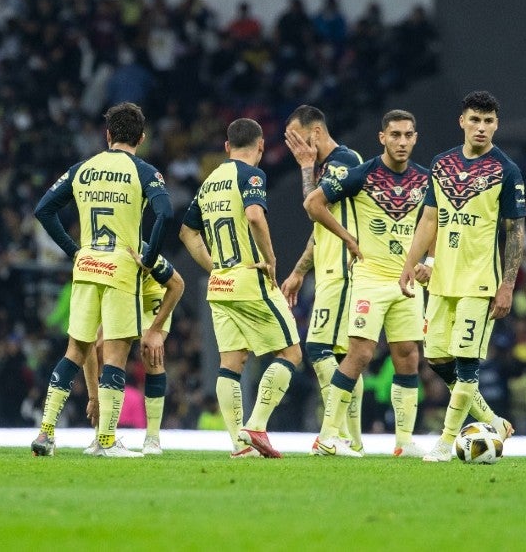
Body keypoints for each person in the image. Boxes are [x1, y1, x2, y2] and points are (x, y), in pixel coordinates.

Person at [31, 102, 173, 458]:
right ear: (141, 137)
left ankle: (46, 433)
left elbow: (43, 210)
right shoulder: (144, 171)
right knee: (114, 354)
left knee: (75, 351)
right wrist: (151, 257)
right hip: (120, 270)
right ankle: (106, 441)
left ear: (107, 135)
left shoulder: (83, 169)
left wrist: (73, 250)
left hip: (86, 266)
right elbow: (165, 212)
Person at [399, 91, 525, 462]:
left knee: (468, 363)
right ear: (462, 122)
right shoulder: (442, 164)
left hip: (480, 282)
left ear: (496, 125)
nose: (481, 128)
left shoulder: (506, 170)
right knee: (437, 358)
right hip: (441, 281)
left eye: (488, 121)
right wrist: (414, 262)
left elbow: (515, 231)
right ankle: (493, 422)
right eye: (475, 120)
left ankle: (446, 441)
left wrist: (507, 286)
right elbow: (430, 219)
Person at [304, 109, 430, 458]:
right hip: (370, 279)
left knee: (408, 356)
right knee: (359, 353)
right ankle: (327, 437)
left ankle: (404, 443)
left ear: (415, 138)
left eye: (407, 135)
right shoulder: (363, 173)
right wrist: (347, 238)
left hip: (406, 281)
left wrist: (428, 262)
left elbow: (432, 222)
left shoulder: (424, 179)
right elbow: (314, 203)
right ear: (382, 138)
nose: (402, 141)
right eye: (395, 135)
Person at [180, 118, 301, 459]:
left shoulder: (208, 185)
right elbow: (254, 216)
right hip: (251, 279)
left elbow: (187, 234)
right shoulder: (251, 175)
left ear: (226, 147)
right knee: (290, 353)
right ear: (261, 146)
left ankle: (239, 445)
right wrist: (272, 258)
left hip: (220, 284)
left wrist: (215, 266)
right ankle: (256, 425)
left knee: (231, 363)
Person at [279, 105, 365, 451]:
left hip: (344, 269)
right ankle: (352, 439)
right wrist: (300, 271)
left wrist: (305, 167)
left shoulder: (345, 161)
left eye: (298, 140)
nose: (295, 149)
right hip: (330, 268)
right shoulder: (330, 167)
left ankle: (338, 433)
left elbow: (311, 204)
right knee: (342, 355)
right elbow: (319, 228)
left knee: (317, 349)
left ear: (315, 133)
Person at [81, 246, 185, 456]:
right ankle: (101, 434)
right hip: (123, 297)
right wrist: (93, 397)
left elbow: (178, 284)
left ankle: (153, 438)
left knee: (151, 353)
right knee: (98, 348)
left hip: (151, 297)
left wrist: (155, 330)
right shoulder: (98, 261)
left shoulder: (145, 251)